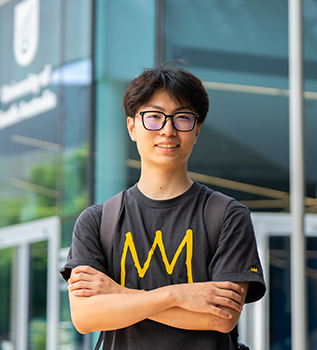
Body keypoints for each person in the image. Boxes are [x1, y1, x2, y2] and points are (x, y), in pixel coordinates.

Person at [60, 63, 266, 349]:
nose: (168, 130)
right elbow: (85, 317)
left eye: (182, 118)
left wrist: (118, 294)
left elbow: (222, 318)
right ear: (132, 127)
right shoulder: (97, 221)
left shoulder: (227, 215)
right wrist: (179, 296)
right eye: (154, 117)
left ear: (197, 130)